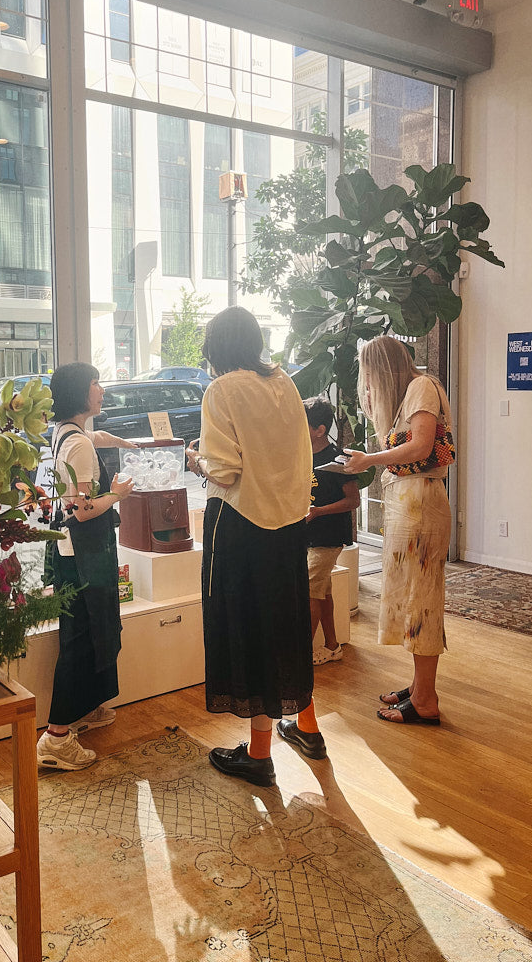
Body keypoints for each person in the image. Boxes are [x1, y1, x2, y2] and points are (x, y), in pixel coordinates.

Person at [186, 307, 327, 786]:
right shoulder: (284, 382)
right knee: (285, 624)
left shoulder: (221, 390)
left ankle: (260, 754)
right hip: (287, 524)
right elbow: (299, 456)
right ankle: (307, 727)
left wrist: (196, 460)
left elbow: (225, 472)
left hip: (239, 524)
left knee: (247, 630)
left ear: (216, 347)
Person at [341, 336, 453, 726]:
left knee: (422, 601)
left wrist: (369, 459)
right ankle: (420, 686)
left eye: (369, 374)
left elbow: (421, 447)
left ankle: (425, 700)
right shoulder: (409, 394)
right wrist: (375, 409)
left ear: (382, 368)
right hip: (411, 503)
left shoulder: (422, 387)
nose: (367, 382)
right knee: (413, 599)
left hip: (421, 504)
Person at [36, 363, 135, 770]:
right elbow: (80, 510)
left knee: (89, 634)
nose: (102, 389)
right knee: (79, 642)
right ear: (80, 392)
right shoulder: (78, 445)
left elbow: (97, 437)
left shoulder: (66, 432)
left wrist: (130, 444)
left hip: (70, 555)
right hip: (83, 558)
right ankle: (56, 737)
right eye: (95, 383)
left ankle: (87, 708)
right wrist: (117, 494)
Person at [304, 397, 360, 666]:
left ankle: (299, 657)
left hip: (329, 536)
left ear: (320, 430)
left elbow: (353, 501)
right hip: (308, 534)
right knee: (322, 591)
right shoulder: (302, 455)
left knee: (309, 590)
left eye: (303, 425)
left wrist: (318, 512)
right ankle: (332, 646)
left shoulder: (339, 458)